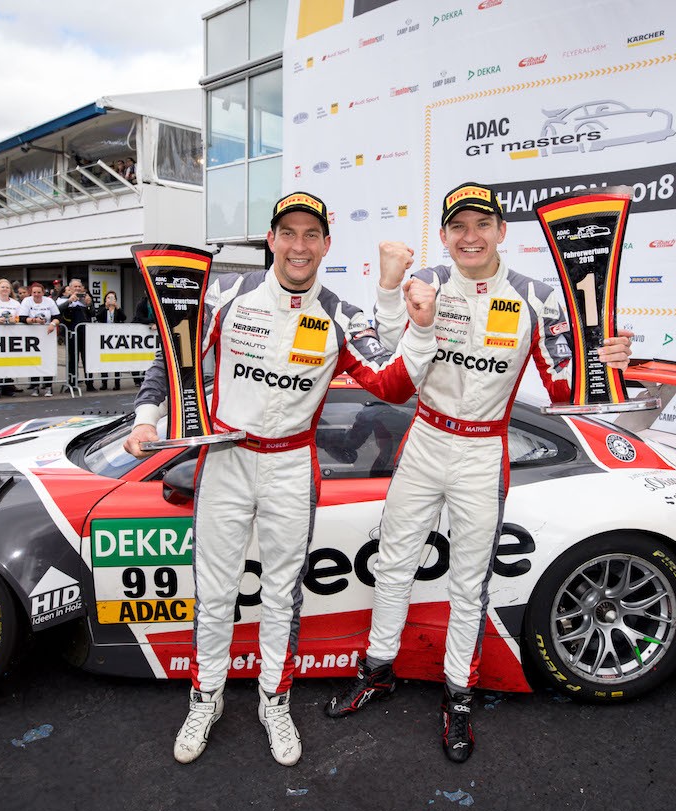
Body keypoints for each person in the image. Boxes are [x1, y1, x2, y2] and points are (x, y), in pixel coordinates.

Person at [123, 191, 439, 767]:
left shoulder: (341, 314)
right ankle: (206, 698)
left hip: (292, 464)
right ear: (270, 239)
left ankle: (275, 700)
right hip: (225, 459)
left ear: (325, 244)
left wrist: (418, 329)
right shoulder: (224, 292)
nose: (299, 246)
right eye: (288, 233)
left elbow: (392, 386)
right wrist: (148, 420)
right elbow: (170, 360)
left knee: (280, 596)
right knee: (215, 592)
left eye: (310, 235)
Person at [322, 182, 634, 763]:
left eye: (481, 225)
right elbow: (387, 359)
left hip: (484, 452)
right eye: (458, 226)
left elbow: (568, 386)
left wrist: (609, 362)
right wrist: (389, 290)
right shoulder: (429, 284)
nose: (470, 237)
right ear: (443, 235)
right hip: (426, 440)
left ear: (500, 232)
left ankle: (459, 694)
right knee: (393, 564)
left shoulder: (536, 297)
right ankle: (378, 669)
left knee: (469, 582)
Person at [19, 282, 61, 396]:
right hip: (32, 335)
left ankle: (48, 386)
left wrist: (52, 324)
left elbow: (57, 317)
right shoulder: (27, 301)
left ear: (43, 292)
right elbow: (22, 318)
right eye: (34, 292)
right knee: (34, 360)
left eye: (39, 292)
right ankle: (35, 386)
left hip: (47, 335)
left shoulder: (49, 301)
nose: (37, 295)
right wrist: (34, 320)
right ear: (30, 293)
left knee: (48, 359)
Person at [58, 279, 94, 392]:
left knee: (87, 359)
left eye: (79, 286)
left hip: (85, 333)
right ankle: (72, 383)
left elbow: (93, 314)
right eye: (75, 286)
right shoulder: (63, 299)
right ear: (70, 288)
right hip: (71, 333)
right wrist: (69, 301)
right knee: (72, 360)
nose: (78, 288)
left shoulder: (85, 299)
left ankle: (90, 384)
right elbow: (58, 310)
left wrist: (89, 304)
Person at [94, 290, 125, 390]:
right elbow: (98, 317)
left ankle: (117, 383)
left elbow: (124, 317)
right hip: (104, 337)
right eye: (108, 298)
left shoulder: (117, 309)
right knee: (105, 360)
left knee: (116, 360)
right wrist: (106, 307)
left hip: (116, 337)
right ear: (105, 299)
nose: (111, 300)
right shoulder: (102, 307)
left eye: (113, 298)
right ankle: (104, 382)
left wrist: (118, 308)